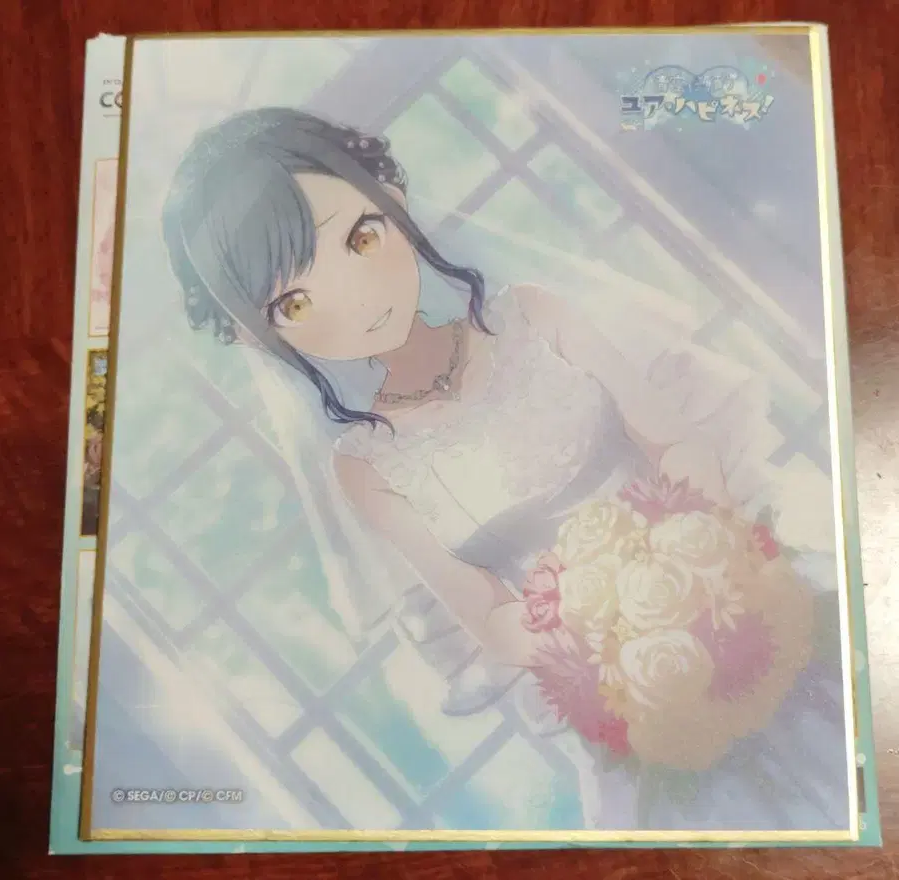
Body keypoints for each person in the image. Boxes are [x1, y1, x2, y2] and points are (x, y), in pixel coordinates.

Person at [162, 108, 849, 830]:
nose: (357, 298)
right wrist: (608, 647)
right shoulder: (367, 466)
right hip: (625, 692)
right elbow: (489, 619)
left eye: (361, 238)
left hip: (738, 596)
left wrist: (704, 559)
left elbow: (676, 442)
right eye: (296, 302)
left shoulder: (535, 318)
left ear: (390, 198)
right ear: (262, 334)